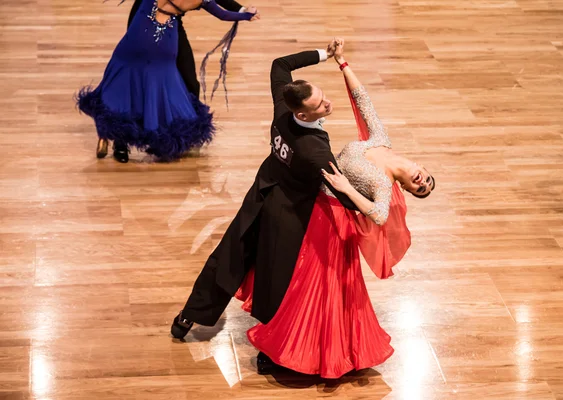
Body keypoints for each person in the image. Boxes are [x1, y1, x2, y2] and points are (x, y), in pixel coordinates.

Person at [233, 39, 436, 378]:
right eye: (426, 179)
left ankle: (292, 350)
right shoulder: (379, 139)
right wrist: (342, 62)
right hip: (316, 205)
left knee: (308, 287)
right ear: (423, 165)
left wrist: (345, 188)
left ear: (406, 188)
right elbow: (362, 99)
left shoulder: (384, 183)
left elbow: (380, 214)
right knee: (297, 278)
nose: (421, 182)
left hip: (329, 220)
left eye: (420, 188)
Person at [170, 43, 360, 360]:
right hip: (287, 214)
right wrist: (381, 196)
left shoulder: (283, 108)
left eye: (323, 95)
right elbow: (344, 194)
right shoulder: (315, 151)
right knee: (276, 279)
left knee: (228, 256)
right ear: (303, 113)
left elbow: (279, 64)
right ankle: (269, 350)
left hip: (260, 193)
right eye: (320, 104)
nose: (327, 103)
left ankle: (188, 317)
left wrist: (323, 54)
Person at [76, 0, 256, 163]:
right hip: (159, 39)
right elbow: (223, 14)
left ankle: (122, 140)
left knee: (128, 84)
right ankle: (149, 138)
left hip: (148, 32)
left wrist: (242, 10)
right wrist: (247, 15)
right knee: (155, 85)